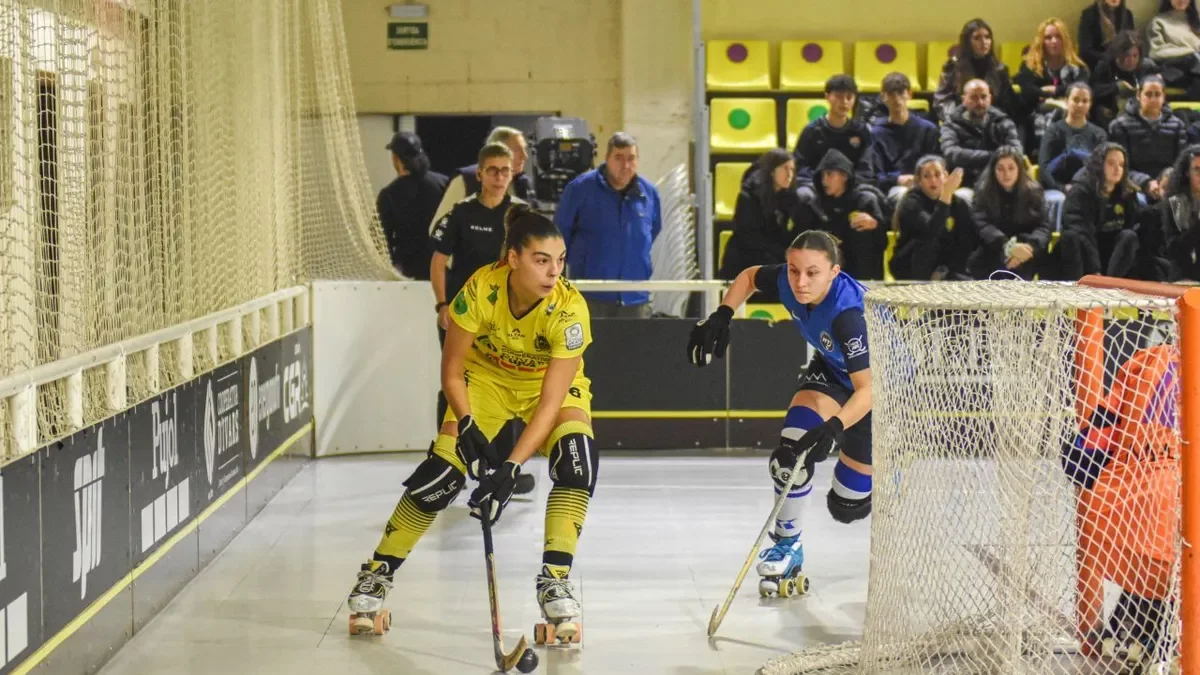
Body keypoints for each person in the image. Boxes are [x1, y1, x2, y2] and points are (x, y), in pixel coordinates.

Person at [348, 207, 598, 641]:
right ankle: (376, 574)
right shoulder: (479, 290)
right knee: (441, 476)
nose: (553, 272)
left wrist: (511, 468)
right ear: (513, 259)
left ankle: (554, 578)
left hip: (547, 386)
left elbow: (550, 403)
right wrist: (465, 424)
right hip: (485, 381)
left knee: (578, 463)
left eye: (560, 260)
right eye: (542, 260)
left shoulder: (570, 309)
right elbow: (451, 372)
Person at [687, 230, 875, 597]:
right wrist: (722, 315)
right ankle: (788, 546)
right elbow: (748, 277)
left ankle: (886, 469)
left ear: (834, 273)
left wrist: (835, 427)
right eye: (793, 270)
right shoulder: (788, 281)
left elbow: (868, 390)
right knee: (791, 452)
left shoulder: (850, 317)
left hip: (882, 391)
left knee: (847, 506)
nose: (800, 282)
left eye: (813, 273)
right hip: (835, 373)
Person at [430, 143, 536, 497]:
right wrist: (442, 305)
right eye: (492, 170)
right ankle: (447, 462)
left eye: (505, 171)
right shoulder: (461, 213)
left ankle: (501, 466)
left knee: (504, 384)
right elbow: (438, 262)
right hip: (463, 316)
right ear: (479, 174)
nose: (499, 177)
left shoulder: (520, 215)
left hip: (502, 319)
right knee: (455, 381)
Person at [1063, 343, 1178, 667]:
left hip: (1122, 528)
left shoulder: (1150, 363)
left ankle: (1129, 635)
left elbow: (1077, 459)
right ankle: (1155, 642)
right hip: (1168, 537)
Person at [555, 132, 662, 318]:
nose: (626, 165)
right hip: (590, 296)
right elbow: (558, 237)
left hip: (636, 298)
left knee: (634, 348)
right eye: (619, 158)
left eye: (631, 158)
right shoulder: (580, 189)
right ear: (607, 158)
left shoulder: (650, 193)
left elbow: (653, 230)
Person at [793, 150, 887, 279]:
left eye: (829, 175)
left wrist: (875, 226)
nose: (824, 181)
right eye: (822, 176)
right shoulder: (813, 206)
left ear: (845, 176)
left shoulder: (865, 201)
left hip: (859, 270)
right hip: (823, 275)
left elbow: (882, 243)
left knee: (862, 234)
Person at [719, 150, 801, 296]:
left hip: (771, 264)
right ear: (772, 171)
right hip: (743, 263)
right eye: (785, 169)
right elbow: (749, 237)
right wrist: (782, 255)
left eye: (792, 169)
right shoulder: (748, 197)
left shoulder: (790, 198)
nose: (790, 174)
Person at [1058, 143, 1143, 279]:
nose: (1117, 169)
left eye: (1121, 164)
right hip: (1084, 255)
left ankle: (1111, 284)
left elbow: (1134, 225)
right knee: (1072, 237)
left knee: (1130, 236)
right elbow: (1081, 231)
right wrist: (1094, 270)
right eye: (1111, 163)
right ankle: (1076, 288)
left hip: (1111, 257)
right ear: (1099, 164)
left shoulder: (1127, 193)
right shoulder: (1080, 191)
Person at [968, 146, 1052, 279]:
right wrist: (1007, 247)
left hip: (1027, 251)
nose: (1006, 174)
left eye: (1011, 168)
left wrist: (1029, 248)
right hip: (994, 250)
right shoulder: (982, 193)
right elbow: (982, 226)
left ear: (1019, 169)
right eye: (1000, 168)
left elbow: (1044, 226)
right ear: (993, 170)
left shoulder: (1035, 192)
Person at [889, 156, 977, 280]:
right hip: (910, 267)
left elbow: (965, 242)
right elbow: (930, 232)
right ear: (919, 180)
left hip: (945, 268)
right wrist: (946, 195)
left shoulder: (959, 204)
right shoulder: (911, 202)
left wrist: (946, 270)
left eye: (937, 174)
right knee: (927, 240)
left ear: (946, 176)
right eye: (926, 176)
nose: (933, 180)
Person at [376, 132, 449, 279]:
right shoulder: (444, 183)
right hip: (443, 269)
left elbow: (381, 240)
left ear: (395, 159)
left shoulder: (389, 194)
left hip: (408, 273)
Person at [430, 126, 533, 228]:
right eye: (517, 150)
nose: (524, 156)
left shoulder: (522, 185)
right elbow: (438, 227)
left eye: (524, 149)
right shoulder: (467, 180)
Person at [1014, 18, 1090, 157]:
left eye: (1058, 36)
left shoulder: (1078, 67)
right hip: (1038, 115)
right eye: (1048, 37)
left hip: (1071, 112)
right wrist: (1059, 94)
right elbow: (1028, 91)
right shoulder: (1030, 65)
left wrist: (1054, 90)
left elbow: (1082, 89)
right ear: (1041, 41)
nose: (1053, 41)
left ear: (1065, 39)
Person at [1108, 74, 1188, 200]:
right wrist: (1146, 183)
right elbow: (1121, 166)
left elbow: (1181, 163)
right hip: (1132, 186)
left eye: (1157, 95)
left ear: (1163, 97)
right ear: (1139, 96)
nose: (1153, 99)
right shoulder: (1119, 126)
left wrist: (1166, 178)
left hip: (1168, 184)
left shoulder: (1177, 125)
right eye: (1148, 94)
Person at [865, 72, 941, 201]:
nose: (896, 99)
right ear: (883, 97)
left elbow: (937, 164)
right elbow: (876, 174)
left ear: (909, 94)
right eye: (891, 94)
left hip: (928, 184)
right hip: (895, 188)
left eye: (901, 93)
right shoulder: (876, 134)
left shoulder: (928, 129)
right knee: (902, 195)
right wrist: (897, 179)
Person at [940, 79, 1023, 191]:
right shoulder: (951, 124)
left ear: (990, 98)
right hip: (966, 184)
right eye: (974, 97)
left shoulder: (1003, 121)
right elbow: (951, 154)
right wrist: (994, 156)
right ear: (964, 99)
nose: (980, 102)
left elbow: (1016, 151)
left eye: (984, 97)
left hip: (999, 183)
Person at [793, 75, 874, 190]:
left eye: (849, 97)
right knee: (804, 194)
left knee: (869, 196)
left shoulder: (861, 131)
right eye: (839, 97)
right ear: (827, 97)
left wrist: (844, 181)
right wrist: (825, 180)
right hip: (817, 185)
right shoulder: (812, 130)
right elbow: (800, 167)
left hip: (851, 186)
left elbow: (866, 169)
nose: (844, 102)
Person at [933, 18, 1018, 123]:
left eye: (987, 37)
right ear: (967, 42)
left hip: (992, 122)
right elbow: (942, 101)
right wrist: (957, 119)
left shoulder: (1000, 69)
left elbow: (1009, 104)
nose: (984, 42)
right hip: (961, 121)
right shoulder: (953, 67)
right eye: (977, 38)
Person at [1038, 82, 1109, 193]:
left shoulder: (1099, 133)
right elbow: (1044, 168)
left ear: (1090, 104)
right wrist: (1061, 188)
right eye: (1075, 100)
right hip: (1058, 189)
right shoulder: (1053, 131)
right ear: (1066, 101)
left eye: (1085, 101)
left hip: (1089, 189)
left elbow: (1102, 168)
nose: (1080, 104)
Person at [1090, 32, 1162, 129]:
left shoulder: (1146, 66)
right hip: (1113, 115)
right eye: (1126, 55)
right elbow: (1093, 92)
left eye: (1135, 56)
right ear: (1117, 54)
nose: (1131, 60)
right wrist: (1116, 87)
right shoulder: (1105, 66)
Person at [1158, 144, 1200, 280]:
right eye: (1197, 169)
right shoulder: (1174, 203)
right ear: (1187, 173)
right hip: (1183, 274)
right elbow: (1174, 250)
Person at [1147, 0, 1200, 100]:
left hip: (1192, 71)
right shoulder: (1159, 22)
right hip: (1173, 65)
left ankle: (1163, 77)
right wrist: (1189, 52)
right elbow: (1155, 52)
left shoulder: (1196, 22)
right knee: (1191, 59)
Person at [1078, 0, 1137, 70]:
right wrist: (1110, 58)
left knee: (1147, 63)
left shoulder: (1127, 14)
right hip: (1099, 64)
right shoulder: (1089, 15)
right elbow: (1085, 51)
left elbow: (1134, 44)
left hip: (1124, 62)